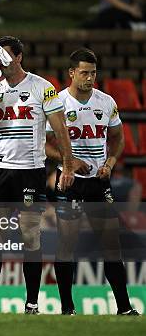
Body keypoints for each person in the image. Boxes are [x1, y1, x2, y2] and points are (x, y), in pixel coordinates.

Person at [0, 36, 75, 314]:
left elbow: (60, 129)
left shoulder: (42, 87)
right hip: (1, 170)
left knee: (30, 236)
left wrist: (68, 163)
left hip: (30, 171)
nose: (2, 60)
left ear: (18, 57)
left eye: (5, 55)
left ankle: (32, 303)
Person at [46, 48, 139, 316]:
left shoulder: (106, 102)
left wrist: (110, 163)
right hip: (71, 181)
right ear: (72, 73)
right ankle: (67, 308)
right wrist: (69, 160)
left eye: (93, 73)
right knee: (67, 243)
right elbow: (42, 144)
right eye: (84, 73)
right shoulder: (58, 103)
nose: (89, 78)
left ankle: (124, 307)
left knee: (111, 244)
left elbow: (118, 138)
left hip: (99, 182)